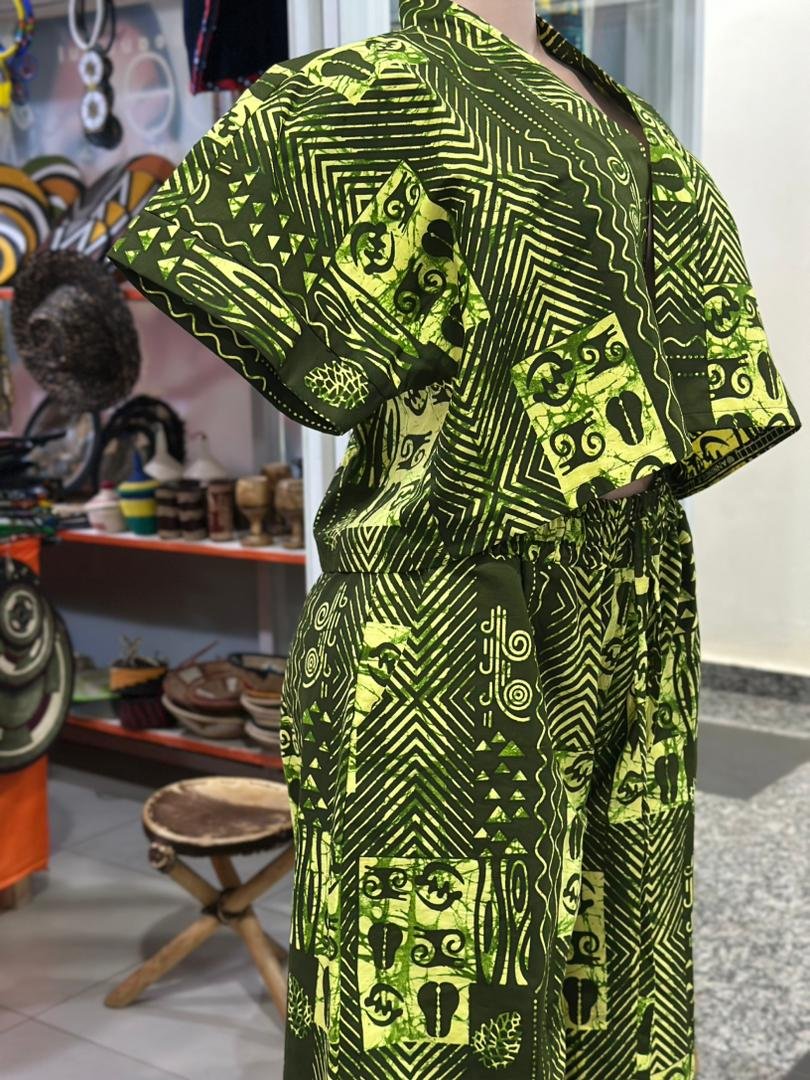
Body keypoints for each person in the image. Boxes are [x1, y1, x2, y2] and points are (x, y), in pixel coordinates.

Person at [107, 1, 802, 1076]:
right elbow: (230, 254)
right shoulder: (370, 96)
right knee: (444, 1029)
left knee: (612, 986)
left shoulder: (611, 104)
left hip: (629, 607)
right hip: (450, 627)